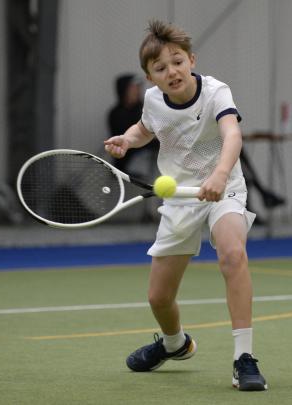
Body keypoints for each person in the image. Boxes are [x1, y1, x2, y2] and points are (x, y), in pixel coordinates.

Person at [104, 20, 267, 391]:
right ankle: (174, 344)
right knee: (159, 297)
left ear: (191, 60)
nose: (171, 71)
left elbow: (232, 134)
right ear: (150, 78)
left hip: (224, 190)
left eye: (177, 61)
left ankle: (244, 358)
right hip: (179, 199)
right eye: (160, 68)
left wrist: (220, 175)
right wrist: (127, 141)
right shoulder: (152, 101)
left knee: (232, 254)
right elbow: (146, 128)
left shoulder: (215, 93)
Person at [108, 73, 159, 181]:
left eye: (138, 87)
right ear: (123, 90)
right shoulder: (116, 114)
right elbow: (136, 137)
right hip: (126, 171)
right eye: (132, 87)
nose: (136, 90)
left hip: (151, 168)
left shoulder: (144, 109)